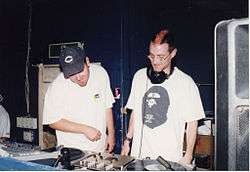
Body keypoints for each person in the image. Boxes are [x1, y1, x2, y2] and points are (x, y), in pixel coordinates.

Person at [121, 28, 205, 165]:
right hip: (139, 157)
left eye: (161, 57)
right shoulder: (139, 77)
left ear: (173, 53)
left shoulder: (186, 83)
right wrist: (127, 141)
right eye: (151, 56)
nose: (155, 61)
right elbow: (136, 111)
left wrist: (188, 156)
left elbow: (192, 123)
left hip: (168, 160)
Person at [43, 46, 115, 153]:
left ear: (87, 61)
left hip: (100, 149)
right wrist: (85, 129)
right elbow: (52, 121)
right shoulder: (57, 86)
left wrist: (111, 134)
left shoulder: (101, 74)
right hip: (72, 151)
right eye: (72, 74)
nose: (78, 77)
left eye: (80, 70)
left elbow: (107, 106)